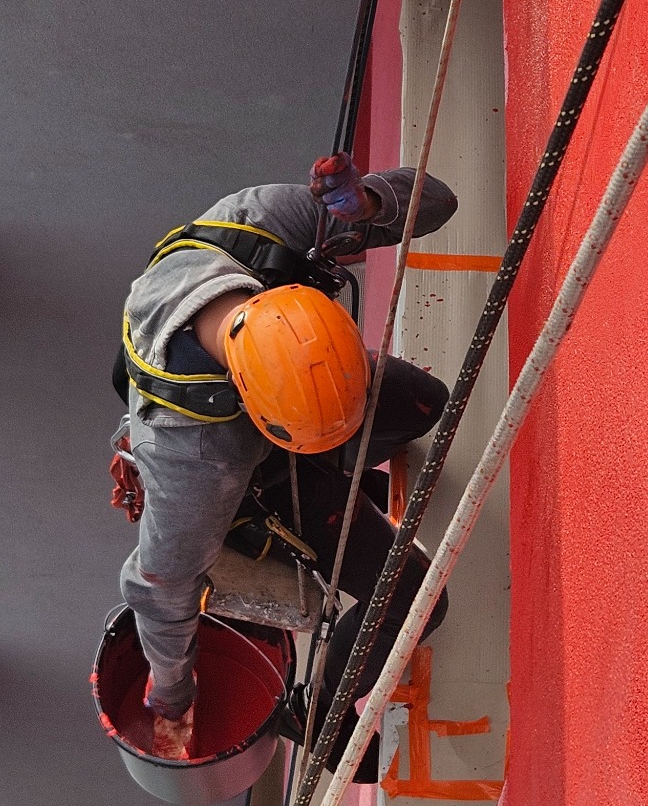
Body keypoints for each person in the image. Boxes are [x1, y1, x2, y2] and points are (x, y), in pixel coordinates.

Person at [114, 152, 457, 775]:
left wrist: (372, 206)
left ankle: (340, 466)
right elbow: (158, 589)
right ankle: (322, 707)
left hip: (296, 408)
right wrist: (173, 695)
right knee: (414, 600)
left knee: (421, 404)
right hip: (263, 489)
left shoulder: (262, 224)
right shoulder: (195, 455)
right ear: (255, 402)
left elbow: (440, 202)